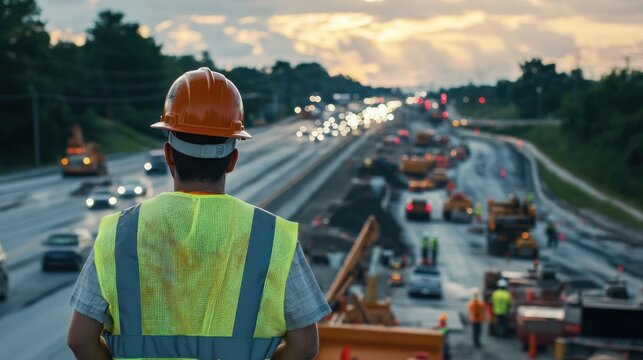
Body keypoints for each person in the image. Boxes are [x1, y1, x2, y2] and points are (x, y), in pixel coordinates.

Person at [67, 68, 331, 360]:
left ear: (169, 156)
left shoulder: (119, 232)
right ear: (232, 160)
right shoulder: (273, 237)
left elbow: (80, 340)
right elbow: (305, 345)